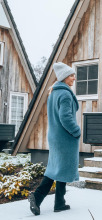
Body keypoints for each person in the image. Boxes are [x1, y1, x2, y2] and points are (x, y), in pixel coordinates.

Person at [28, 62, 81, 216]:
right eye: (71, 75)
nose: (74, 78)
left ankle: (59, 202)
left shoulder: (54, 92)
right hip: (64, 137)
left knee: (58, 169)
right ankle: (37, 197)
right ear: (64, 77)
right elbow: (65, 118)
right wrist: (76, 131)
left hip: (55, 136)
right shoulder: (64, 94)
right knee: (57, 170)